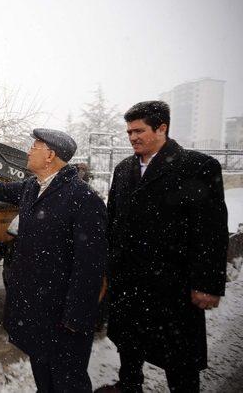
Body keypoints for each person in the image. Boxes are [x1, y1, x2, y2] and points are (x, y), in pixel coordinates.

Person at [0, 128, 107, 392]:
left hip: (63, 314)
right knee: (43, 374)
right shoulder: (32, 187)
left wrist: (76, 316)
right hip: (38, 308)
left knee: (68, 380)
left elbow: (90, 267)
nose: (29, 150)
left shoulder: (83, 199)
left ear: (50, 155)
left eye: (35, 146)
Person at [96, 101, 229, 393]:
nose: (132, 137)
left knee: (178, 358)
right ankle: (129, 385)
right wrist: (108, 268)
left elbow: (211, 231)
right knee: (129, 345)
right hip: (129, 281)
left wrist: (207, 283)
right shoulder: (124, 169)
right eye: (129, 131)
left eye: (139, 130)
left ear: (162, 128)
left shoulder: (197, 167)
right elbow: (113, 221)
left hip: (172, 284)